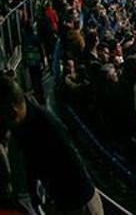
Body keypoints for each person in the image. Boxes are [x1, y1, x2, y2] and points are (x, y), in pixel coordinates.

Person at [0, 76, 103, 214]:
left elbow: (71, 170)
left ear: (13, 111)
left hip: (79, 204)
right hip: (65, 201)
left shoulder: (47, 126)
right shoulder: (22, 124)